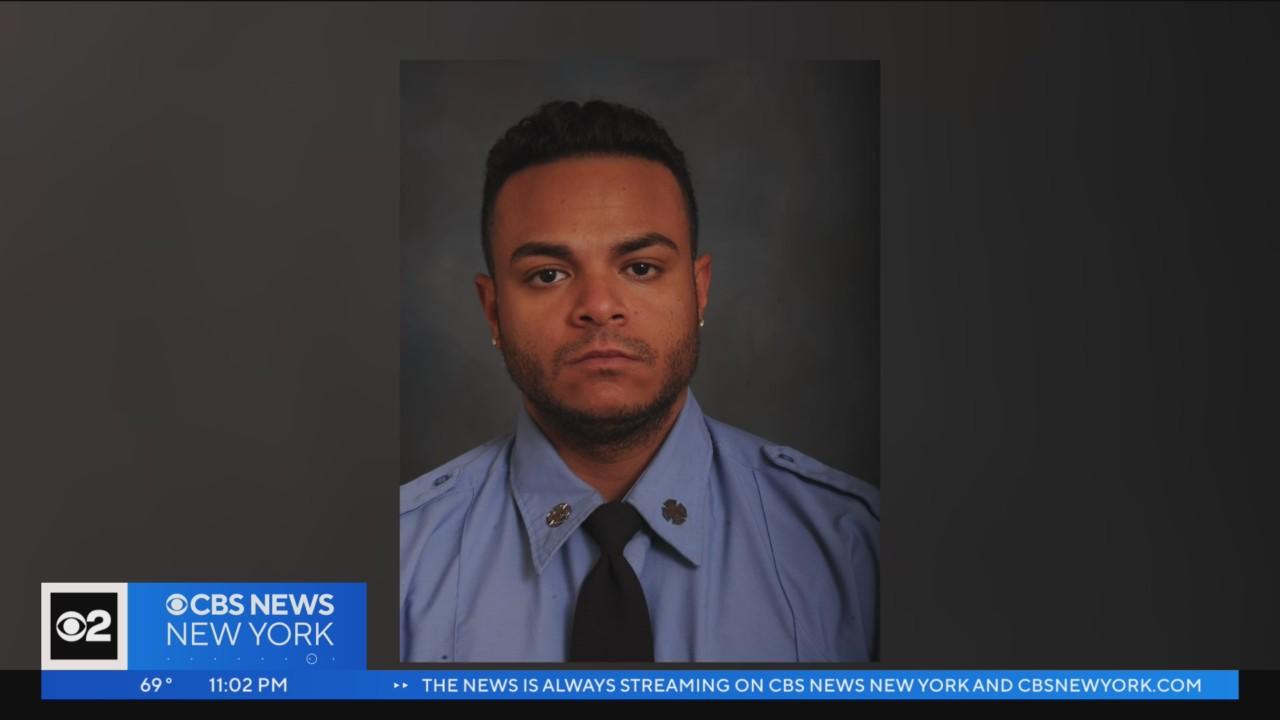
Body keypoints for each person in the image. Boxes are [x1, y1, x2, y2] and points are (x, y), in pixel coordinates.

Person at [400, 100, 879, 662]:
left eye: (641, 267)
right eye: (548, 274)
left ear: (699, 291)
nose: (599, 306)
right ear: (492, 311)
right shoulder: (394, 559)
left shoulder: (855, 548)